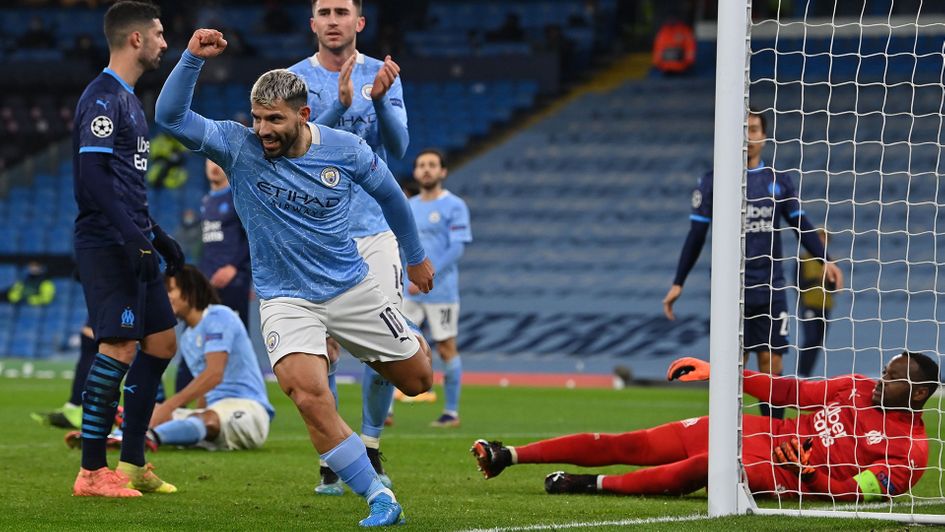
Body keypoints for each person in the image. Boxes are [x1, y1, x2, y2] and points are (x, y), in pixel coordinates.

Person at [156, 29, 435, 527]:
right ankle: (377, 495)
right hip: (286, 298)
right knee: (306, 393)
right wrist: (192, 59)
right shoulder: (237, 147)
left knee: (417, 381)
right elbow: (170, 117)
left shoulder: (344, 150)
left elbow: (393, 194)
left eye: (274, 120)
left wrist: (414, 258)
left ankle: (407, 342)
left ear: (303, 116)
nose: (262, 129)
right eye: (258, 118)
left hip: (351, 287)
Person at [473, 352, 939, 500]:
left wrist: (810, 475)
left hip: (788, 470)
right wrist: (721, 370)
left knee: (706, 465)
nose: (882, 379)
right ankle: (508, 454)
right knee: (636, 442)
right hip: (769, 434)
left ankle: (592, 484)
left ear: (919, 393)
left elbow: (855, 492)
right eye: (886, 370)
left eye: (895, 378)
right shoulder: (856, 386)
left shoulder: (911, 453)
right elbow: (788, 392)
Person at [287, 0, 409, 494]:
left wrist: (378, 100)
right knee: (323, 352)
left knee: (388, 349)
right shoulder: (292, 80)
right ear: (312, 22)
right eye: (324, 11)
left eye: (343, 11)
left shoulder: (385, 74)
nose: (333, 19)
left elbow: (399, 148)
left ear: (359, 22)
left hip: (374, 229)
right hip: (317, 231)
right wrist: (336, 106)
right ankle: (334, 457)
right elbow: (291, 150)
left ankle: (372, 444)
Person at [662, 110, 844, 419]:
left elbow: (799, 222)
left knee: (771, 366)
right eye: (743, 128)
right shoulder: (713, 181)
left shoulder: (778, 182)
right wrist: (679, 281)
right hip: (730, 291)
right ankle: (726, 441)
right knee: (732, 367)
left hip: (771, 289)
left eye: (755, 129)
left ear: (764, 135)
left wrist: (825, 259)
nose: (749, 135)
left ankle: (774, 441)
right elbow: (696, 234)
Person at [71, 1, 183, 498]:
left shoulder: (131, 100)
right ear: (135, 39)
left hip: (133, 238)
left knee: (162, 343)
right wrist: (136, 237)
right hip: (107, 243)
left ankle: (134, 462)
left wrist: (156, 234)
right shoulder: (102, 97)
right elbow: (92, 178)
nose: (164, 41)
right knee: (117, 346)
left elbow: (123, 185)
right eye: (158, 34)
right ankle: (92, 471)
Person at [147, 265, 274, 451]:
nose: (165, 297)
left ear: (190, 289)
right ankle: (123, 435)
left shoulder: (219, 315)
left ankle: (149, 437)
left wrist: (169, 407)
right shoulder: (188, 336)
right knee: (148, 413)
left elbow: (214, 375)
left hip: (247, 408)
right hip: (214, 410)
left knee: (206, 419)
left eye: (170, 290)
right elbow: (205, 389)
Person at [403, 149, 472, 427]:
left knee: (446, 348)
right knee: (395, 345)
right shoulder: (409, 205)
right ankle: (387, 411)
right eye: (422, 165)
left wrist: (427, 277)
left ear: (443, 171)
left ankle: (451, 413)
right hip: (410, 290)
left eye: (432, 165)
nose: (427, 169)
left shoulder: (454, 206)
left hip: (441, 291)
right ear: (416, 172)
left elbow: (456, 249)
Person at [172, 159, 252, 393]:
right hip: (206, 284)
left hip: (233, 282)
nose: (214, 166)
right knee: (193, 338)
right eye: (208, 161)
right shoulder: (207, 201)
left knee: (233, 342)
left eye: (218, 160)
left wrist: (235, 267)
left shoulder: (239, 197)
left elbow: (253, 237)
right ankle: (182, 402)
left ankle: (240, 397)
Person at [797, 228, 835, 377]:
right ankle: (801, 374)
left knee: (818, 342)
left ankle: (807, 375)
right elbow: (798, 283)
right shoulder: (803, 259)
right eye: (819, 238)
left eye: (825, 239)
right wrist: (818, 279)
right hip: (808, 304)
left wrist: (830, 279)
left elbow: (833, 287)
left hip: (825, 306)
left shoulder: (830, 261)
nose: (822, 241)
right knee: (810, 339)